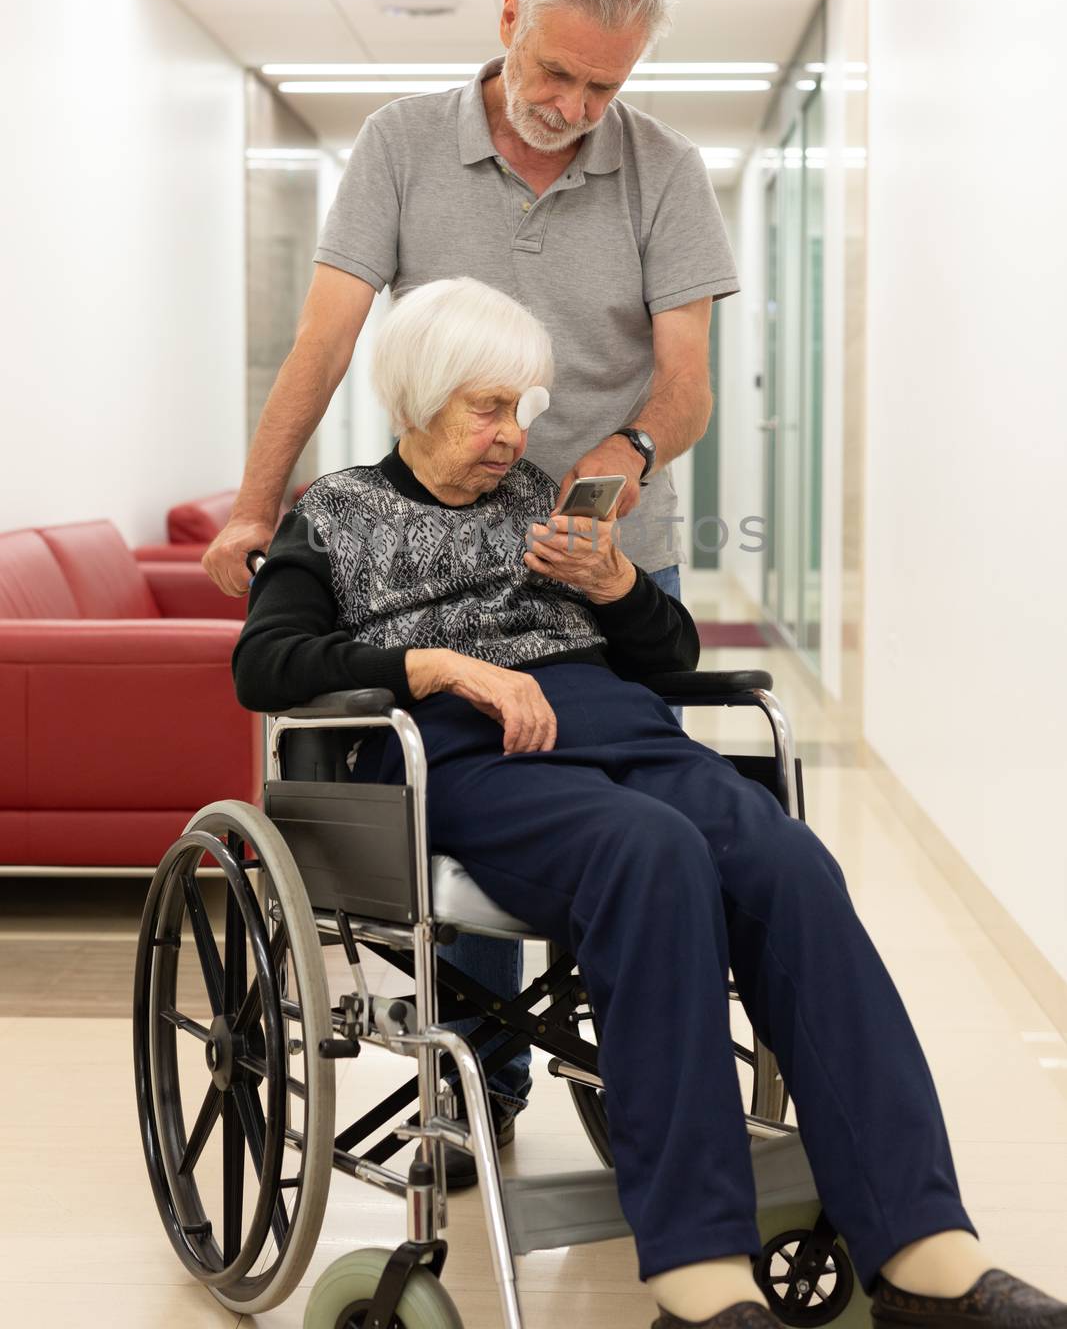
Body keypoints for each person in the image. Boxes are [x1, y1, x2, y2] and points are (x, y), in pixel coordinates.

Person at [232, 278, 1066, 1329]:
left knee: (787, 860)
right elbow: (264, 665)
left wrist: (615, 582)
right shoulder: (337, 513)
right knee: (649, 852)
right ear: (416, 398)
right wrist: (435, 663)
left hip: (618, 727)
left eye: (521, 407)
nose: (510, 433)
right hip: (475, 755)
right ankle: (698, 1275)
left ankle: (918, 1247)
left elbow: (670, 654)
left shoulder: (543, 497)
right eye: (485, 408)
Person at [207, 0, 740, 1175]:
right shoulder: (400, 144)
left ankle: (636, 1060)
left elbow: (684, 382)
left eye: (605, 85)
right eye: (556, 72)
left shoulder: (662, 167)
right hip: (437, 552)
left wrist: (624, 461)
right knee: (486, 803)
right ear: (508, 19)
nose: (573, 106)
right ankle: (486, 1080)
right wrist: (253, 504)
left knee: (626, 808)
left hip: (596, 555)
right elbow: (324, 345)